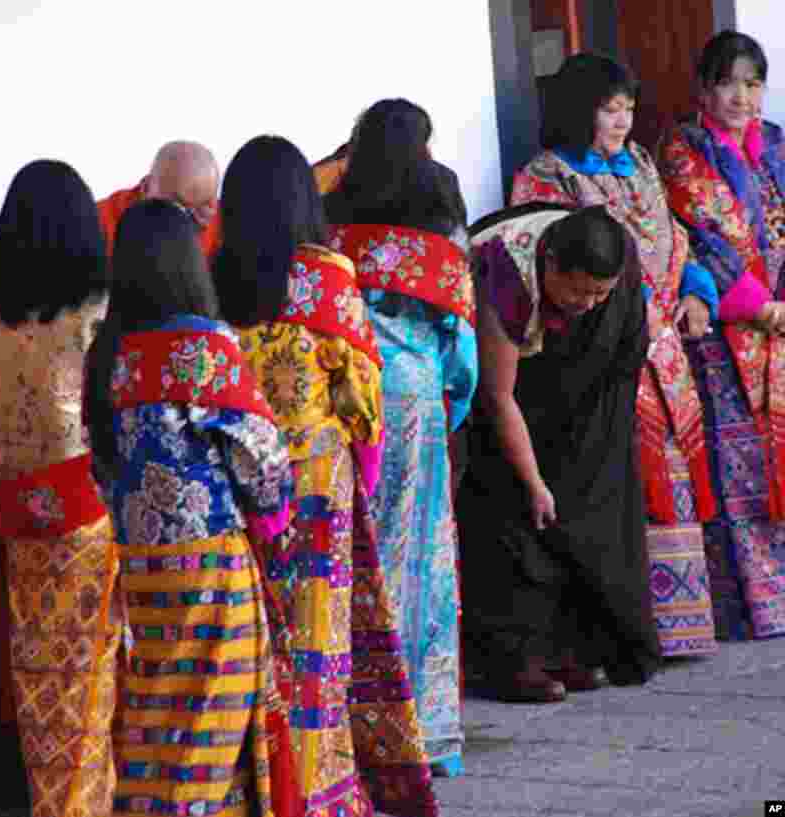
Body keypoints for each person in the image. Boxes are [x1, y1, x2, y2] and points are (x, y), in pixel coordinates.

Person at [214, 134, 439, 817]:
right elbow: (359, 390)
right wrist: (362, 467)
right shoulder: (327, 275)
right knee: (318, 647)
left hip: (242, 484)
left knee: (258, 642)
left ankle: (261, 788)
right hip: (316, 485)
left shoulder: (216, 274)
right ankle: (316, 791)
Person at [83, 199, 294, 817]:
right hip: (209, 566)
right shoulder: (204, 347)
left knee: (156, 716)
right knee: (209, 720)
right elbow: (261, 455)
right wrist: (274, 521)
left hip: (143, 565)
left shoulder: (111, 352)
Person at [511, 54, 719, 658]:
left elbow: (676, 239)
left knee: (674, 474)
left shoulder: (645, 167)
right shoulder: (547, 176)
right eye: (609, 108)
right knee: (615, 477)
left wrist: (696, 291)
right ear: (580, 111)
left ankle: (683, 623)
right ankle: (625, 625)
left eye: (628, 107)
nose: (623, 120)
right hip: (600, 353)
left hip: (665, 348)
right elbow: (550, 269)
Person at [0, 159, 117, 817]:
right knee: (94, 688)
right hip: (94, 518)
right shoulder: (97, 310)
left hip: (15, 517)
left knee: (38, 679)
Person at [325, 98, 477, 776]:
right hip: (414, 395)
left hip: (343, 394)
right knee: (419, 556)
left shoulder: (333, 208)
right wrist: (456, 396)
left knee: (356, 548)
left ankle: (352, 729)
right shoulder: (438, 209)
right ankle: (423, 731)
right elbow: (461, 341)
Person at [459, 203, 661, 703]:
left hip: (587, 387)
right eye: (576, 289)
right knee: (513, 510)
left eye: (599, 293)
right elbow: (499, 395)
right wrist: (534, 483)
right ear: (549, 264)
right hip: (516, 394)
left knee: (590, 501)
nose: (587, 303)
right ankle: (514, 658)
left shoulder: (616, 267)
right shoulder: (506, 270)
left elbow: (623, 346)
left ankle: (577, 646)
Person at [659, 31, 785, 641]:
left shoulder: (778, 147)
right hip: (728, 334)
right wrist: (761, 307)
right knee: (740, 468)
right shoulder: (684, 151)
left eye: (752, 83)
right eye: (729, 83)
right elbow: (703, 235)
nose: (742, 96)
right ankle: (752, 605)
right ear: (705, 89)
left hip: (781, 329)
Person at [97, 140, 221, 256]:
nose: (189, 222)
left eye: (204, 205)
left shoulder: (224, 223)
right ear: (146, 187)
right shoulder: (99, 222)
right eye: (179, 208)